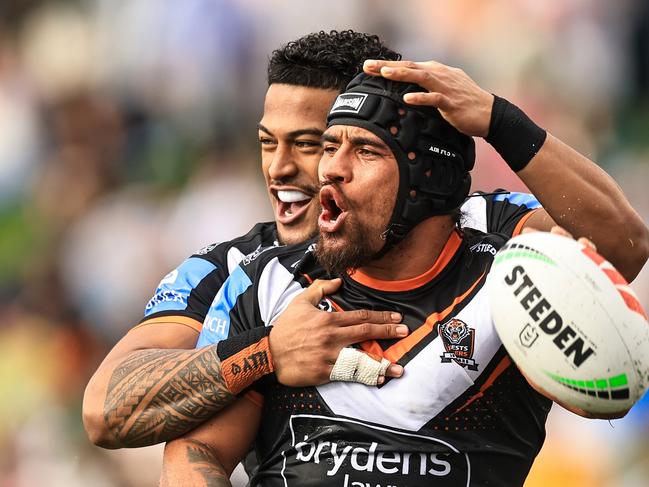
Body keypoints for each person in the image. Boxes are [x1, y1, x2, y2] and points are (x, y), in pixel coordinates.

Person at [82, 31, 649, 450]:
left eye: (310, 142)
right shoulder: (239, 269)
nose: (281, 168)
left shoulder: (487, 228)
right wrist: (269, 352)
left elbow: (623, 244)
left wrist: (498, 118)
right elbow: (106, 409)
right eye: (266, 142)